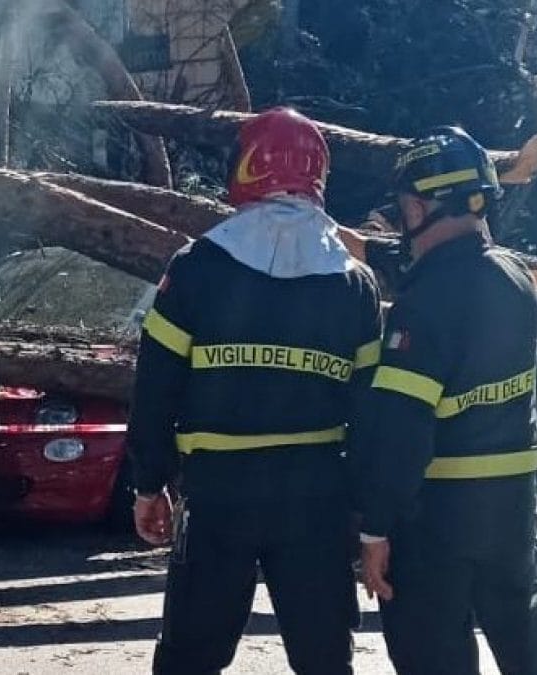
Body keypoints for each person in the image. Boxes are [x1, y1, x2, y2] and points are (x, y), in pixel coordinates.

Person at [126, 107, 382, 675]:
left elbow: (154, 386)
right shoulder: (354, 283)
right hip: (316, 497)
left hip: (219, 495)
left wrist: (149, 482)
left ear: (245, 168)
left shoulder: (196, 266)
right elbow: (372, 414)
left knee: (190, 659)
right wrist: (370, 518)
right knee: (323, 661)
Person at [353, 126, 537, 674]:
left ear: (421, 208)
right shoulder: (514, 281)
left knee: (432, 651)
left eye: (404, 210)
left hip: (436, 513)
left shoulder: (423, 306)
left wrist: (375, 528)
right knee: (524, 637)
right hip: (512, 505)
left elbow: (401, 428)